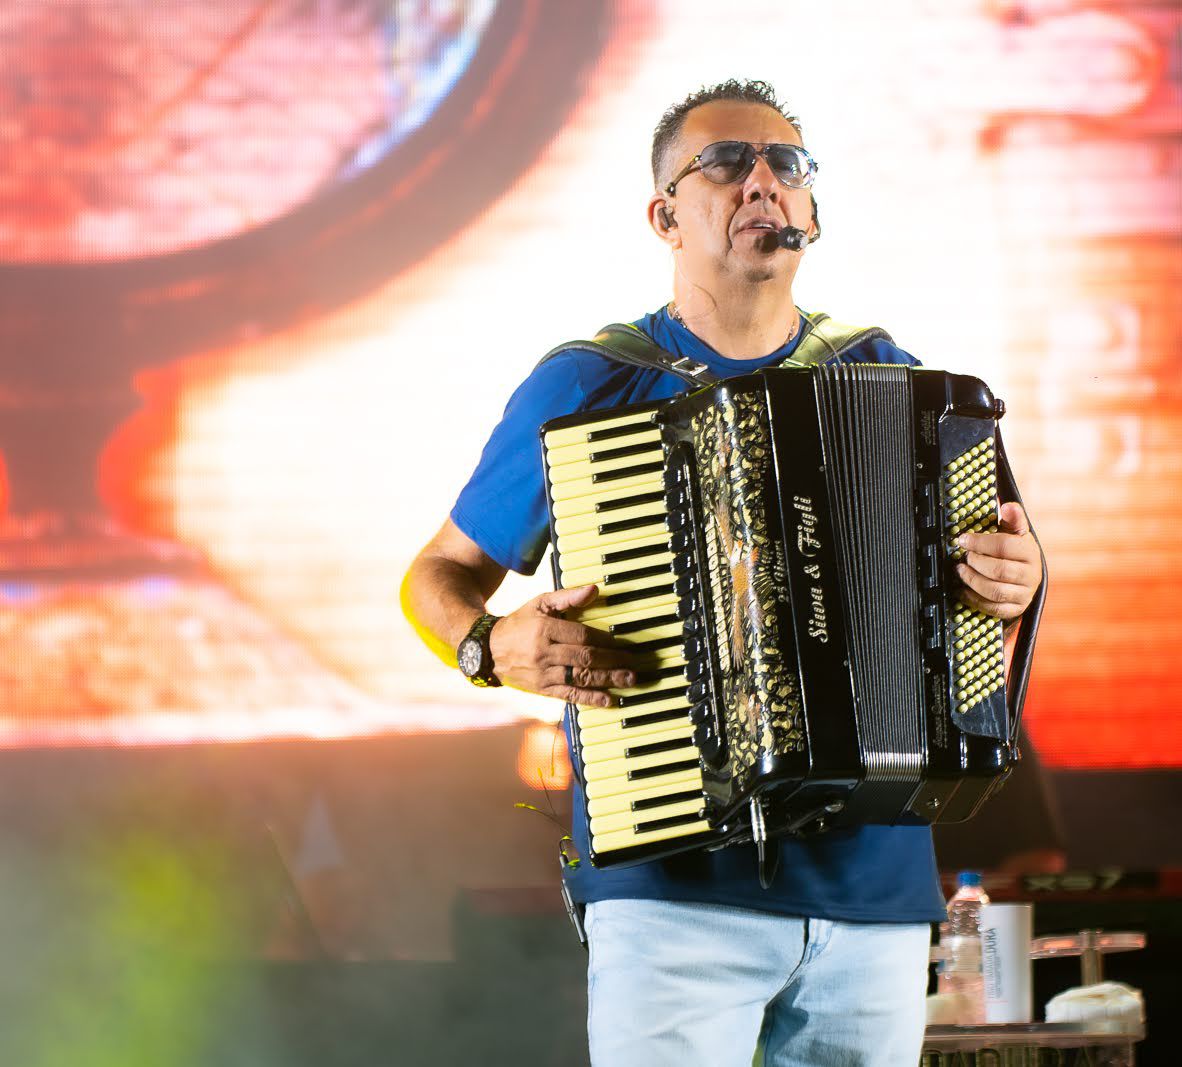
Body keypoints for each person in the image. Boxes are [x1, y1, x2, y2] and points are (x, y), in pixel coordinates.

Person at [400, 79, 1043, 1067]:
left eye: (785, 165)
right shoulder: (590, 382)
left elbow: (996, 576)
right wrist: (490, 642)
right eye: (727, 162)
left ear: (811, 213)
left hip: (872, 893)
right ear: (663, 216)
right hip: (674, 886)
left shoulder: (890, 375)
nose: (761, 181)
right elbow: (436, 574)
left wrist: (1012, 574)